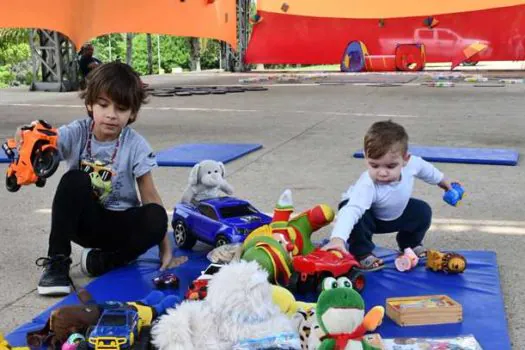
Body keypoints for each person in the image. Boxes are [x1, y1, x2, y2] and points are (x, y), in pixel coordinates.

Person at [22, 62, 180, 296]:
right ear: (90, 104)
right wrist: (26, 137)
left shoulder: (135, 144)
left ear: (133, 113)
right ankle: (57, 263)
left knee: (157, 216)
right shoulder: (77, 132)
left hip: (119, 226)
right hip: (84, 222)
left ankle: (102, 261)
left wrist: (164, 246)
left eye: (121, 108)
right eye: (103, 105)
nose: (111, 115)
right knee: (74, 179)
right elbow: (43, 141)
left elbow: (149, 195)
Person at [321, 120, 458, 271]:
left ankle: (410, 245)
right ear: (366, 157)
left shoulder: (413, 164)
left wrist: (444, 182)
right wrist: (337, 239)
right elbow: (351, 210)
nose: (382, 172)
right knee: (355, 214)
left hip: (394, 215)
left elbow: (427, 170)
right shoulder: (367, 184)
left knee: (422, 211)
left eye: (390, 166)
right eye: (374, 165)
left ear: (405, 159)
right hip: (368, 218)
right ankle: (362, 254)